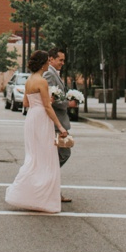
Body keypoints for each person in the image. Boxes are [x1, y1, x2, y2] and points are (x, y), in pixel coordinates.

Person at [5, 50, 69, 214]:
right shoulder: (41, 81)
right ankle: (40, 196)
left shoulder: (29, 81)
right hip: (41, 119)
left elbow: (26, 103)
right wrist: (60, 127)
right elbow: (47, 107)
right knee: (46, 156)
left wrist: (44, 101)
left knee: (33, 156)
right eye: (47, 61)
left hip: (32, 118)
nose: (49, 63)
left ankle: (28, 193)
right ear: (43, 63)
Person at [43, 47, 74, 203]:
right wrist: (68, 103)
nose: (63, 63)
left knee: (56, 158)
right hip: (55, 122)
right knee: (63, 155)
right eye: (60, 60)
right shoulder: (49, 74)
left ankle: (51, 188)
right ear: (51, 59)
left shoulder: (55, 74)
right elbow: (49, 100)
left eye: (63, 60)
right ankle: (47, 184)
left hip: (59, 121)